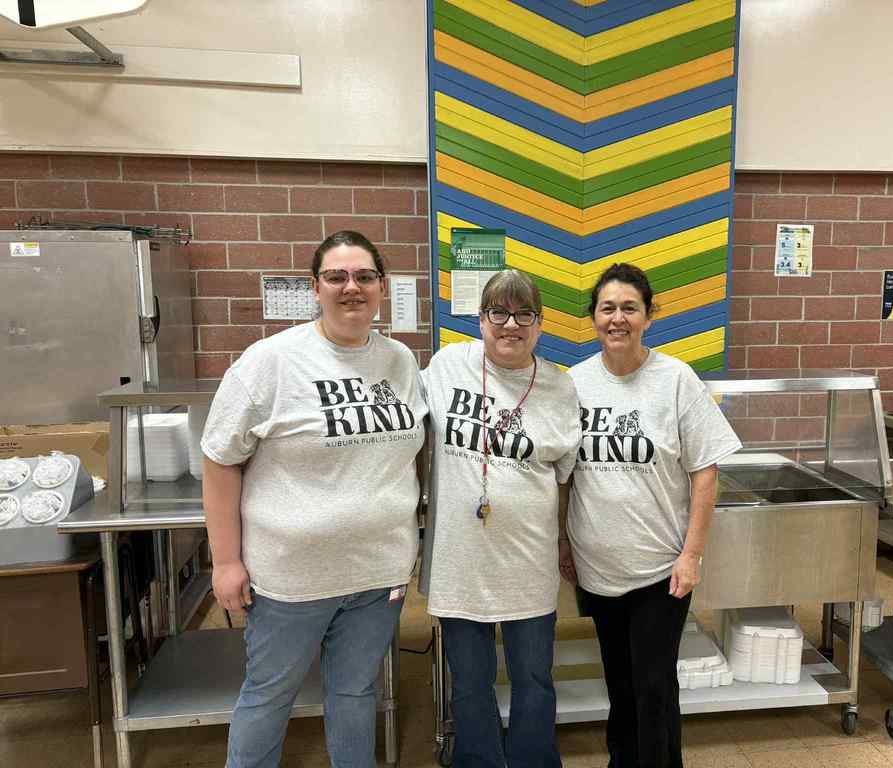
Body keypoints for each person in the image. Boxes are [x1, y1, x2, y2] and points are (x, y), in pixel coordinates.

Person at [201, 230, 427, 768]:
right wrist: (226, 560)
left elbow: (410, 453)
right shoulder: (271, 361)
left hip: (378, 575)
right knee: (268, 696)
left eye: (365, 276)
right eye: (337, 276)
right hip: (290, 580)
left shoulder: (400, 361)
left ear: (381, 286)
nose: (352, 287)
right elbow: (219, 458)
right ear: (316, 287)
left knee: (354, 694)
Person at [560, 263, 741, 768]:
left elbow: (706, 472)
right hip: (597, 567)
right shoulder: (574, 384)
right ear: (594, 318)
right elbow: (564, 478)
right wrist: (563, 544)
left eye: (629, 308)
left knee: (654, 686)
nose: (617, 318)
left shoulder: (676, 379)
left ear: (648, 315)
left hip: (661, 570)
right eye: (607, 308)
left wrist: (691, 555)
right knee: (620, 684)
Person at [419, 269, 581, 768]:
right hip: (459, 560)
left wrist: (564, 542)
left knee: (533, 677)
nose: (511, 325)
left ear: (540, 323)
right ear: (480, 318)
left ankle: (534, 760)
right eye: (498, 313)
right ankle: (478, 759)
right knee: (469, 681)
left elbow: (567, 479)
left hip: (527, 562)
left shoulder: (559, 387)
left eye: (524, 314)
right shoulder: (447, 366)